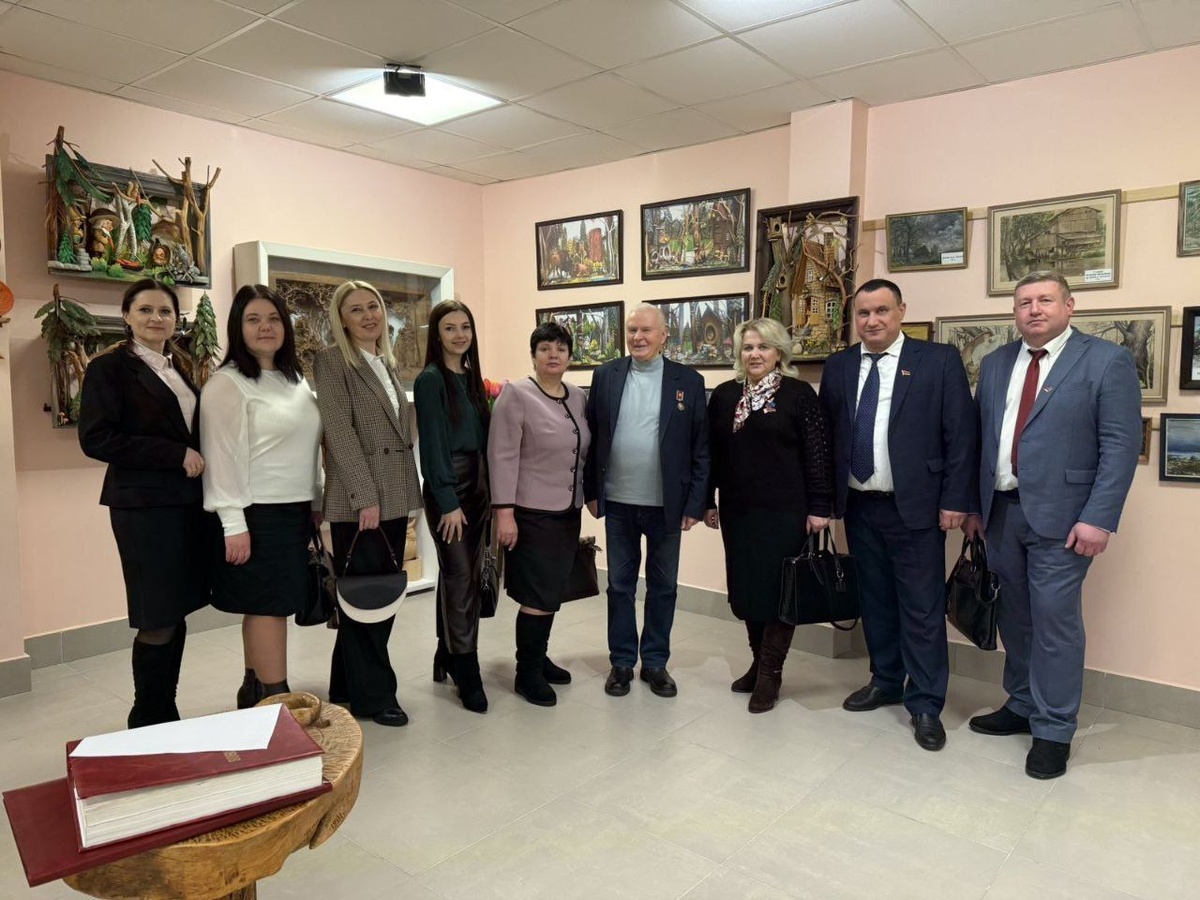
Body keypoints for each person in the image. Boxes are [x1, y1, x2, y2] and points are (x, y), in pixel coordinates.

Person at [965, 271, 1141, 779]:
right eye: (1024, 302)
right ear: (1014, 312)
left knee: (1055, 623)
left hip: (1065, 520)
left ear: (1069, 306)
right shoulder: (996, 363)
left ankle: (1054, 729)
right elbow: (982, 440)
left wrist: (1098, 518)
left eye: (1045, 300)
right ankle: (1022, 703)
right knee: (1015, 618)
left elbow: (1120, 446)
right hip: (1000, 513)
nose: (1034, 310)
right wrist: (974, 506)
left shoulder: (1105, 360)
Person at [819, 278, 976, 752]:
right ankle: (886, 679)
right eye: (863, 313)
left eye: (881, 311)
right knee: (875, 600)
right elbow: (828, 437)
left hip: (916, 508)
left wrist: (955, 500)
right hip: (858, 506)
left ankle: (925, 702)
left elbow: (960, 435)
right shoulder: (840, 365)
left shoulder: (938, 360)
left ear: (901, 311)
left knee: (922, 608)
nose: (872, 321)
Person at [78, 279, 215, 728]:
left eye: (165, 311)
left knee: (175, 609)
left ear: (176, 319)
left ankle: (165, 710)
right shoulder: (110, 368)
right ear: (127, 316)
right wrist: (173, 454)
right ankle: (147, 719)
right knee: (157, 614)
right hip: (143, 509)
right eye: (145, 310)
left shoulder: (178, 367)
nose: (157, 318)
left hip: (184, 505)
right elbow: (97, 438)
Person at [704, 318, 834, 713]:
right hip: (739, 512)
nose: (755, 354)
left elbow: (817, 454)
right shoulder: (725, 396)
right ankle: (758, 662)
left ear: (779, 352)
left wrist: (820, 506)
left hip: (786, 513)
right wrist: (707, 500)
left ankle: (770, 674)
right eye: (748, 348)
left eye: (763, 347)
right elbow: (711, 454)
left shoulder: (798, 395)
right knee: (748, 589)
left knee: (781, 591)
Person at [201, 285, 322, 708]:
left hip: (294, 510)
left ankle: (254, 691)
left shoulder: (294, 380)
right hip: (257, 513)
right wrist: (233, 523)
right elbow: (220, 458)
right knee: (270, 606)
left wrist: (316, 500)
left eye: (273, 318)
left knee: (266, 604)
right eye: (253, 319)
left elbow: (307, 447)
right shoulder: (227, 383)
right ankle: (278, 702)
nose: (265, 327)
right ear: (238, 327)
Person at [584, 303, 709, 699]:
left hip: (667, 505)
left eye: (646, 330)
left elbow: (701, 448)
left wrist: (695, 504)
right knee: (619, 586)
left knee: (663, 587)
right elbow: (592, 438)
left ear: (664, 335)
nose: (638, 337)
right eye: (632, 330)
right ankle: (621, 662)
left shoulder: (689, 381)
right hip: (618, 502)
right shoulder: (606, 375)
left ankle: (654, 662)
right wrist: (591, 492)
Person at [313, 281, 421, 727]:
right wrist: (366, 498)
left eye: (373, 306)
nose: (368, 315)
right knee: (368, 603)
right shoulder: (332, 361)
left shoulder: (384, 363)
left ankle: (345, 686)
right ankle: (376, 698)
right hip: (362, 501)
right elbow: (339, 433)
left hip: (394, 494)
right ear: (341, 320)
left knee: (375, 595)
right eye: (356, 309)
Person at [488, 321, 592, 707]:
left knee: (552, 591)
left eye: (561, 349)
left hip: (568, 509)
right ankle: (526, 671)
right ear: (533, 355)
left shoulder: (577, 396)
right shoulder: (516, 394)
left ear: (569, 356)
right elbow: (501, 456)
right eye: (545, 348)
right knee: (536, 593)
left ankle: (539, 656)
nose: (553, 355)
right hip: (531, 513)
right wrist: (504, 514)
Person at [413, 300, 491, 714]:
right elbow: (433, 446)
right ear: (437, 335)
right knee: (460, 575)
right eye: (450, 328)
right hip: (451, 488)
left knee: (464, 574)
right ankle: (467, 667)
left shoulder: (472, 378)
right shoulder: (431, 380)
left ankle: (447, 650)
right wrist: (447, 502)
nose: (459, 335)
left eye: (465, 327)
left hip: (480, 485)